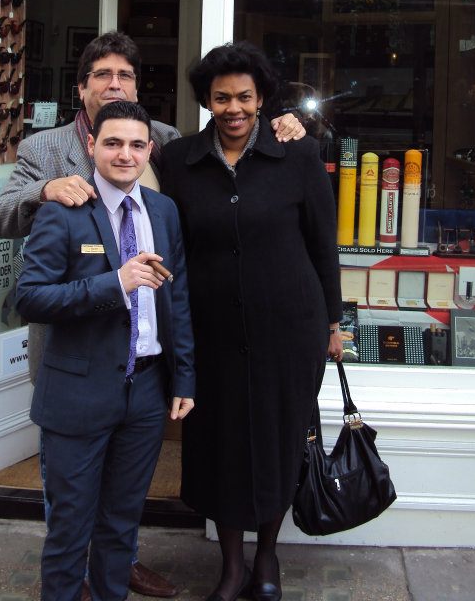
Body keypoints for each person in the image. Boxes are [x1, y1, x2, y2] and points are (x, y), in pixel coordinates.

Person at [0, 30, 304, 598]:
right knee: (71, 513)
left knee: (121, 511)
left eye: (126, 76)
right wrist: (45, 194)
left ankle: (118, 571)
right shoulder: (45, 152)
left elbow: (228, 146)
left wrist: (282, 125)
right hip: (77, 364)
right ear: (82, 90)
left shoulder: (163, 144)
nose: (115, 86)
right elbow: (6, 229)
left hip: (142, 374)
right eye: (103, 76)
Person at [160, 42, 343, 601]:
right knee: (220, 445)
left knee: (278, 440)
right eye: (221, 98)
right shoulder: (178, 161)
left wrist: (333, 323)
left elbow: (322, 244)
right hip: (211, 331)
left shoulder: (298, 156)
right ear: (206, 102)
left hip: (289, 328)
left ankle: (267, 557)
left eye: (244, 96)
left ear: (262, 99)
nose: (233, 108)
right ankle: (231, 563)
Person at [15, 100, 195, 601]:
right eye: (112, 143)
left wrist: (184, 378)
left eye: (136, 145)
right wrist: (112, 284)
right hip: (77, 394)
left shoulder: (163, 210)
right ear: (91, 146)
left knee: (121, 525)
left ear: (150, 150)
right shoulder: (63, 211)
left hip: (144, 393)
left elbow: (175, 298)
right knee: (70, 530)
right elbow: (28, 298)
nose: (124, 155)